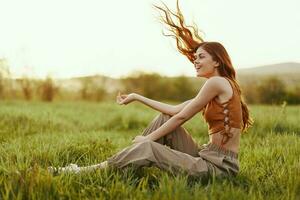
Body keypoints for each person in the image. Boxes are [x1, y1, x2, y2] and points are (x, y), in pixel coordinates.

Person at [48, 1, 253, 178]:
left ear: (217, 62)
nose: (195, 62)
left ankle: (89, 170)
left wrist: (147, 139)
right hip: (207, 157)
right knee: (163, 118)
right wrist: (137, 97)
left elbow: (181, 118)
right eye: (195, 57)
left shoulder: (216, 83)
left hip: (217, 169)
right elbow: (173, 111)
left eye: (201, 57)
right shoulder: (220, 85)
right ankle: (127, 164)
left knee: (148, 146)